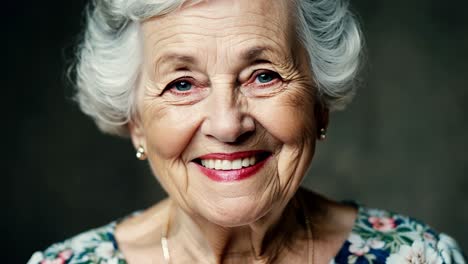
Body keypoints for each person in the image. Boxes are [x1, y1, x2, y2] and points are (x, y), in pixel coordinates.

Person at [28, 0, 465, 263]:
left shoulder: (418, 257)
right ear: (136, 122)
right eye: (182, 84)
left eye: (263, 76)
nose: (227, 124)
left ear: (320, 104)